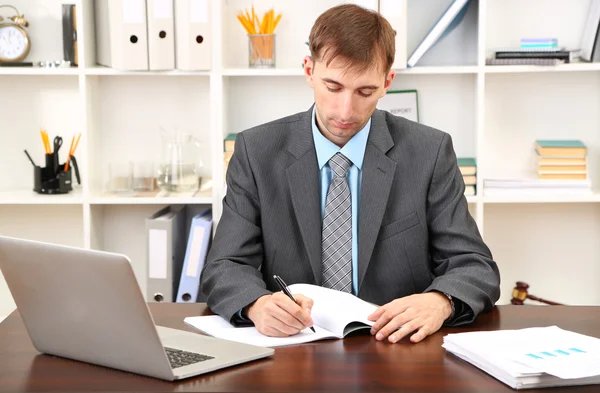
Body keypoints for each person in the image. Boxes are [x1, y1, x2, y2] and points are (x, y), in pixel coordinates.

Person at [201, 4, 500, 344]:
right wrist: (256, 305)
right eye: (333, 86)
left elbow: (475, 266)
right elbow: (224, 265)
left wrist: (440, 301)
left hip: (395, 348)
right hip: (293, 348)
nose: (345, 111)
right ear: (309, 70)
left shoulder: (428, 152)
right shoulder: (257, 150)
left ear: (387, 82)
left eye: (364, 92)